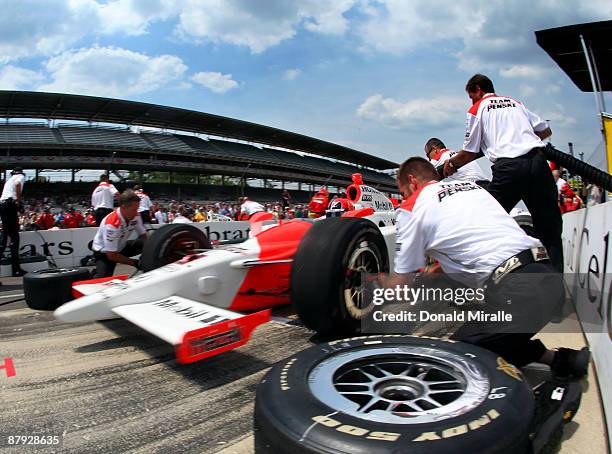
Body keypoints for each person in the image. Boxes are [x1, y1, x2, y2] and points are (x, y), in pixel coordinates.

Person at [384, 157, 588, 376]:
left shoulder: (411, 206)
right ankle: (561, 359)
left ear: (412, 182)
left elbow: (399, 287)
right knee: (488, 336)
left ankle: (520, 406)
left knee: (454, 359)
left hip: (518, 291)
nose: (404, 197)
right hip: (546, 275)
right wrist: (435, 273)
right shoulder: (473, 189)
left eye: (403, 192)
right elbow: (475, 244)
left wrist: (377, 288)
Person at [443, 74, 563, 272]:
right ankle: (556, 288)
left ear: (478, 90)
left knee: (484, 222)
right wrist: (522, 137)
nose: (471, 100)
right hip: (538, 164)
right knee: (550, 230)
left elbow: (469, 152)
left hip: (509, 169)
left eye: (471, 95)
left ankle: (479, 280)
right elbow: (545, 129)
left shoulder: (477, 108)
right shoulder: (515, 103)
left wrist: (451, 163)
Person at [92, 190, 148, 278]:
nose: (137, 212)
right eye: (134, 209)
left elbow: (143, 236)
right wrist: (135, 263)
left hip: (121, 246)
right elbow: (112, 255)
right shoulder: (112, 224)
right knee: (103, 279)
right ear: (123, 207)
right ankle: (95, 273)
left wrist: (149, 252)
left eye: (137, 209)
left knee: (150, 243)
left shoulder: (136, 215)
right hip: (105, 253)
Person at [424, 138, 489, 186]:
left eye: (428, 155)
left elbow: (422, 176)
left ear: (434, 149)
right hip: (486, 184)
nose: (429, 159)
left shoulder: (438, 158)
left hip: (473, 186)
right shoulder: (457, 154)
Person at [0, 167, 27, 276]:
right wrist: (19, 202)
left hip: (3, 204)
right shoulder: (20, 177)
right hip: (9, 204)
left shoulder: (9, 180)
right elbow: (17, 185)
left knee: (5, 235)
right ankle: (15, 269)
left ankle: (15, 269)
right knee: (14, 237)